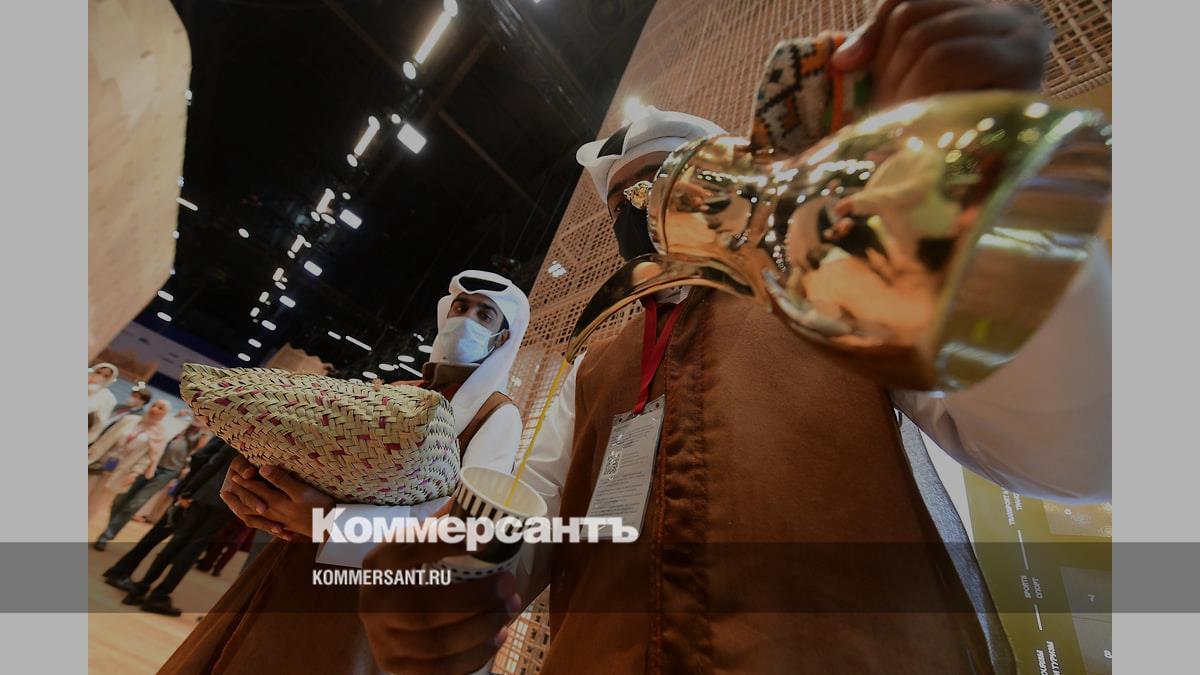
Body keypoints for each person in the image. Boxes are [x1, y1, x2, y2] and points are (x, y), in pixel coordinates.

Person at [359, 2, 1111, 674]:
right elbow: (528, 535)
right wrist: (438, 592)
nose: (648, 213)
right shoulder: (591, 369)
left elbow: (1080, 449)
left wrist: (986, 188)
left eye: (673, 185)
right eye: (627, 202)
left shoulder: (831, 299)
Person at [156, 269, 530, 674]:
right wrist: (256, 477)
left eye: (484, 314)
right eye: (461, 307)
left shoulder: (497, 415)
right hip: (292, 564)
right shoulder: (397, 391)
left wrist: (334, 523)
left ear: (502, 338)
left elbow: (467, 524)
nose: (466, 319)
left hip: (363, 598)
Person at [104, 437, 238, 616]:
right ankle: (154, 592)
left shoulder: (237, 435)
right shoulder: (263, 446)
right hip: (219, 499)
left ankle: (139, 587)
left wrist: (190, 489)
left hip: (202, 492)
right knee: (187, 547)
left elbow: (209, 461)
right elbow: (202, 458)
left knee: (175, 541)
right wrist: (188, 490)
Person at [92, 422, 211, 550]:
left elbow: (200, 450)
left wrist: (204, 428)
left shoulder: (200, 435)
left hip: (168, 472)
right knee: (121, 498)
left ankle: (106, 536)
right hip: (150, 464)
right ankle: (111, 526)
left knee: (136, 503)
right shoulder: (178, 427)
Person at [86, 399, 171, 518]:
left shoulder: (159, 435)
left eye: (160, 408)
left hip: (120, 472)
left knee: (95, 504)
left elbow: (147, 458)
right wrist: (91, 452)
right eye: (154, 405)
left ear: (165, 414)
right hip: (100, 462)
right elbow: (106, 437)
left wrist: (135, 473)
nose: (154, 409)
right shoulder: (130, 419)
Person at [87, 363, 119, 443]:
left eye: (106, 376)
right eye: (98, 372)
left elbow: (97, 425)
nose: (100, 376)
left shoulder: (108, 398)